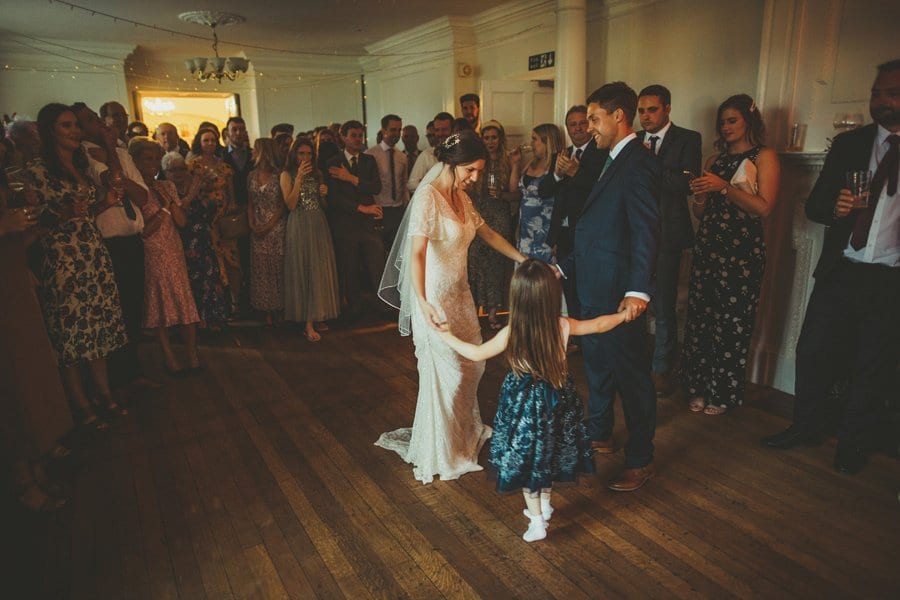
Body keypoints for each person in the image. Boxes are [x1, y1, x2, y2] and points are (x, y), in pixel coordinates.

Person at [762, 59, 900, 474]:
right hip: (841, 270)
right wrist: (837, 207)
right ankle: (806, 426)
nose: (881, 100)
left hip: (889, 278)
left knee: (871, 364)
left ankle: (853, 446)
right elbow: (817, 205)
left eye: (891, 92)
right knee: (814, 349)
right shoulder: (850, 145)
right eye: (876, 92)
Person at [375, 130, 528, 484]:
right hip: (434, 298)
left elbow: (487, 233)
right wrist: (423, 302)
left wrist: (523, 259)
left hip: (460, 294)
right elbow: (414, 254)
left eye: (477, 171)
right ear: (453, 163)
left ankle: (462, 433)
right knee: (450, 373)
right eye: (471, 170)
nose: (475, 178)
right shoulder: (428, 197)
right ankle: (442, 450)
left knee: (474, 366)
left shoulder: (460, 196)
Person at [439, 260, 626, 541]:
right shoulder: (562, 325)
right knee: (548, 457)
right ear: (552, 296)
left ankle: (537, 522)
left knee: (529, 465)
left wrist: (447, 336)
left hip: (523, 408)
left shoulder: (512, 332)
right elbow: (599, 325)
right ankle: (547, 506)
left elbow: (476, 353)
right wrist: (624, 315)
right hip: (558, 402)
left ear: (517, 297)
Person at [558, 82, 660, 492]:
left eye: (596, 119)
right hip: (593, 282)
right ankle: (600, 431)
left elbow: (645, 231)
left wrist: (637, 290)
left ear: (619, 116)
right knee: (598, 363)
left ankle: (640, 458)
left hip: (619, 290)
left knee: (632, 374)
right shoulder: (608, 157)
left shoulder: (639, 162)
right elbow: (596, 219)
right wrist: (566, 267)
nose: (590, 128)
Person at [24, 103, 129, 427]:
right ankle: (81, 403)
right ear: (50, 130)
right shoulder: (37, 171)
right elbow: (31, 219)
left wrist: (104, 204)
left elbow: (83, 212)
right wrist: (61, 215)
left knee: (96, 329)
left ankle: (104, 393)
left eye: (75, 125)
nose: (75, 131)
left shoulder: (80, 166)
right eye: (67, 125)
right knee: (71, 334)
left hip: (91, 253)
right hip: (63, 259)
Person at [682, 94, 780, 415]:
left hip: (742, 252)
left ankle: (722, 393)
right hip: (709, 247)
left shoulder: (764, 156)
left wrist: (724, 187)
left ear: (749, 120)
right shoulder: (713, 160)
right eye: (722, 122)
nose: (725, 127)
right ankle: (697, 387)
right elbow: (701, 214)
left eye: (732, 120)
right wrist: (699, 195)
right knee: (701, 319)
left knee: (732, 322)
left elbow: (764, 208)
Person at [0, 173, 73, 511]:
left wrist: (36, 226)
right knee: (11, 385)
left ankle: (35, 464)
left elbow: (16, 242)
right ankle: (22, 480)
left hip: (14, 286)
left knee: (29, 375)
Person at [636, 85, 702, 396]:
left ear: (667, 109)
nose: (645, 117)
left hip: (668, 235)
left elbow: (686, 182)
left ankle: (662, 368)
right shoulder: (634, 140)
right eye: (641, 111)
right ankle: (635, 363)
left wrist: (650, 165)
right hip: (636, 233)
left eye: (652, 110)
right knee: (632, 298)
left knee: (663, 303)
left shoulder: (688, 139)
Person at [129, 139, 201, 374]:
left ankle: (192, 355)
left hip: (174, 249)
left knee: (185, 303)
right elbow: (144, 231)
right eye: (146, 159)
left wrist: (169, 200)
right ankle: (169, 358)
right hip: (153, 252)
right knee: (161, 307)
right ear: (136, 162)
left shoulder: (167, 186)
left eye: (154, 159)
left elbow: (181, 221)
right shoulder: (135, 192)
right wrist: (163, 210)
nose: (151, 164)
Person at [281, 137, 340, 341]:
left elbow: (323, 205)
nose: (305, 157)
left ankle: (317, 314)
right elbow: (289, 204)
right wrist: (298, 179)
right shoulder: (286, 174)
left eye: (308, 154)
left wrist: (324, 194)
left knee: (319, 268)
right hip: (299, 223)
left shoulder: (318, 173)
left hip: (318, 222)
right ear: (294, 155)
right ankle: (307, 322)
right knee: (304, 268)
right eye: (301, 153)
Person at [324, 120, 383, 317]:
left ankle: (380, 305)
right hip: (345, 223)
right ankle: (354, 307)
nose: (358, 139)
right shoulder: (333, 162)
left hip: (367, 225)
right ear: (343, 137)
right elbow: (335, 197)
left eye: (360, 135)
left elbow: (375, 187)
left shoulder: (369, 160)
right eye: (354, 135)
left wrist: (351, 178)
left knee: (376, 263)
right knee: (349, 267)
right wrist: (362, 208)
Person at [165, 151, 229, 330]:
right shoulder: (166, 189)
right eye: (173, 170)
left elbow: (210, 207)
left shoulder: (197, 187)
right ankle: (192, 323)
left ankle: (211, 321)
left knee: (208, 279)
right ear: (166, 172)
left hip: (202, 239)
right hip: (180, 242)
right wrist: (190, 197)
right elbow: (179, 215)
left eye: (182, 169)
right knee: (189, 283)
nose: (179, 173)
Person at [468, 120, 521, 329]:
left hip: (499, 216)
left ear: (500, 139)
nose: (490, 142)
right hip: (478, 215)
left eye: (494, 137)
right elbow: (468, 190)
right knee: (475, 265)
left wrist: (502, 192)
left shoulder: (508, 161)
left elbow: (516, 193)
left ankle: (492, 313)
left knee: (496, 267)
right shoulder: (476, 160)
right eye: (486, 137)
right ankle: (473, 313)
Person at [188, 127, 240, 316]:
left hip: (223, 220)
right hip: (204, 220)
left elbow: (231, 195)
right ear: (199, 143)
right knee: (210, 263)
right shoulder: (194, 165)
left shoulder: (225, 166)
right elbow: (190, 192)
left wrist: (229, 210)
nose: (210, 144)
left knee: (230, 261)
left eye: (213, 140)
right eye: (206, 140)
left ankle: (232, 304)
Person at [247, 138, 286, 324]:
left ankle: (279, 307)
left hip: (276, 226)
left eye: (255, 149)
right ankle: (265, 309)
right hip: (257, 223)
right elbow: (250, 202)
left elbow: (282, 205)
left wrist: (269, 226)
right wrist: (252, 224)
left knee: (277, 267)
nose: (252, 153)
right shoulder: (251, 176)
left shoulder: (279, 176)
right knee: (261, 268)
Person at [518, 123, 564, 261]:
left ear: (547, 141)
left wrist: (557, 239)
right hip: (525, 232)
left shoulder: (557, 165)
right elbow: (517, 190)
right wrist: (515, 164)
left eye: (534, 139)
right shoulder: (531, 162)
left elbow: (562, 203)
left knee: (543, 278)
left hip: (545, 232)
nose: (531, 143)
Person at [366, 114, 409, 247]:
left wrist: (407, 208)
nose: (396, 133)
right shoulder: (370, 154)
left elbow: (404, 184)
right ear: (384, 130)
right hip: (379, 208)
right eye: (393, 130)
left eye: (399, 130)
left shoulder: (402, 157)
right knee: (378, 250)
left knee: (397, 249)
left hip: (397, 209)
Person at [408, 112, 453, 192]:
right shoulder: (426, 155)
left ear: (453, 130)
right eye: (437, 130)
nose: (440, 133)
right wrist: (435, 189)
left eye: (444, 129)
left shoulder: (460, 152)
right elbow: (411, 184)